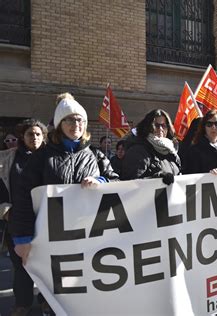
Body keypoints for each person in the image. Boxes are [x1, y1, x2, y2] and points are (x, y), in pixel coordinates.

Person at [8, 95, 118, 315]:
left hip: (88, 235)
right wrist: (22, 238)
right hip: (51, 235)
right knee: (54, 287)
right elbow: (22, 197)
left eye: (80, 120)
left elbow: (116, 182)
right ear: (59, 124)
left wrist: (101, 181)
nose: (76, 125)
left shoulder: (95, 154)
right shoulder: (42, 157)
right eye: (70, 120)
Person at [0, 119, 47, 316]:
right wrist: (5, 210)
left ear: (44, 137)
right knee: (21, 266)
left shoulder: (50, 157)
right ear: (22, 137)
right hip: (17, 222)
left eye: (38, 134)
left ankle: (46, 301)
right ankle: (23, 303)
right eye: (30, 134)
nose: (34, 138)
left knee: (46, 266)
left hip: (46, 222)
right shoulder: (8, 159)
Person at [120, 109, 180, 183]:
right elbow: (130, 183)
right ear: (147, 127)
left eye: (164, 125)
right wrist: (156, 178)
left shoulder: (171, 150)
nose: (160, 129)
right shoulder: (138, 151)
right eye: (156, 125)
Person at [185, 109, 217, 175]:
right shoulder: (195, 150)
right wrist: (208, 175)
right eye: (209, 124)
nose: (213, 127)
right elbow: (189, 174)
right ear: (204, 127)